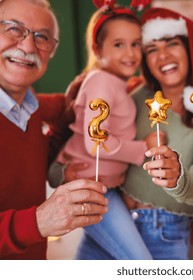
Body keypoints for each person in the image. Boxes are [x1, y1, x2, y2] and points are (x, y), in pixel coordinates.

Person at [55, 7, 193, 260]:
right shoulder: (137, 97)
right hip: (111, 218)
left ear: (189, 48)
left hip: (164, 232)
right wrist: (61, 172)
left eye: (172, 44)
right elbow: (89, 139)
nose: (162, 56)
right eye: (151, 49)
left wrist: (177, 177)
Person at [48, 3, 162, 260]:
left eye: (136, 44)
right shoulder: (101, 81)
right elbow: (95, 143)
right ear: (98, 49)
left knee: (96, 258)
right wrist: (143, 148)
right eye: (118, 44)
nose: (131, 53)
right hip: (92, 188)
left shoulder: (115, 83)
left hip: (104, 187)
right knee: (141, 262)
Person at [0, 0, 108, 260]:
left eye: (42, 37)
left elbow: (29, 157)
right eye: (14, 29)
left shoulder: (32, 112)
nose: (28, 46)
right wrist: (37, 222)